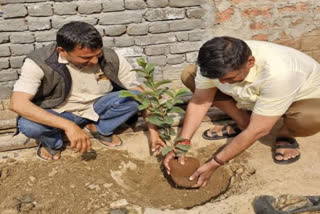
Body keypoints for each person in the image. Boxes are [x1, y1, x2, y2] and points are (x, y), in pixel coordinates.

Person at [164, 36, 320, 187]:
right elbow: (199, 103)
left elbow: (260, 130)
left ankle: (285, 133)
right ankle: (243, 122)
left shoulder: (280, 73)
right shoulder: (214, 63)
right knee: (189, 74)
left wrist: (215, 163)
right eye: (218, 79)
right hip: (260, 96)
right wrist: (182, 143)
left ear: (250, 62)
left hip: (301, 99)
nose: (223, 83)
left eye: (229, 78)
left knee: (310, 117)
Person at [9, 21, 165, 161]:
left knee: (135, 97)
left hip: (96, 108)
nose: (95, 61)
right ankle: (53, 142)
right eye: (86, 58)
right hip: (58, 111)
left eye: (98, 54)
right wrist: (69, 126)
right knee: (29, 125)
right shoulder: (39, 62)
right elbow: (17, 103)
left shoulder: (111, 57)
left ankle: (102, 128)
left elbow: (140, 92)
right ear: (62, 51)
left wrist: (153, 131)